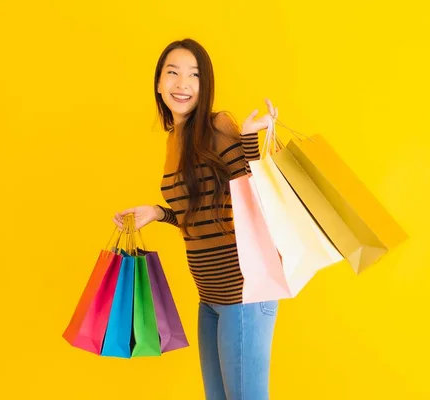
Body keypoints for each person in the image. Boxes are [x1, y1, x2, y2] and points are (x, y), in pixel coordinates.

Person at [113, 38, 279, 400]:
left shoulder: (218, 125)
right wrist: (159, 213)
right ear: (158, 82)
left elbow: (254, 191)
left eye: (194, 75)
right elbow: (203, 213)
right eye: (172, 73)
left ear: (205, 85)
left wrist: (249, 138)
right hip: (209, 297)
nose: (182, 84)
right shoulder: (175, 140)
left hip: (242, 292)